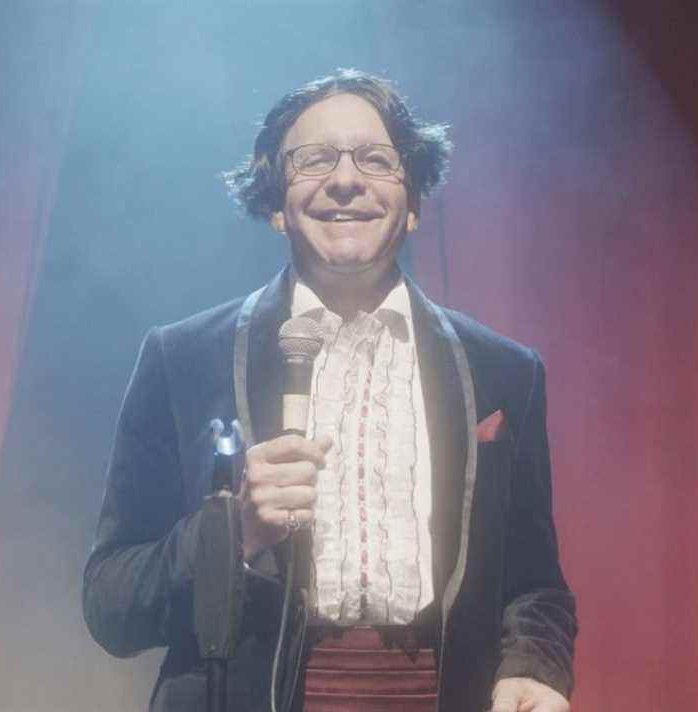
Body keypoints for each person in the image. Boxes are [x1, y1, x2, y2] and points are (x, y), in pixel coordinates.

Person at [83, 69, 577, 712]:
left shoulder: (503, 372)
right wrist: (232, 534)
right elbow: (111, 604)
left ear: (417, 201)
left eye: (376, 159)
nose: (346, 180)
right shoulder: (183, 360)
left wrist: (533, 667)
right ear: (274, 205)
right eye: (314, 159)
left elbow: (534, 585)